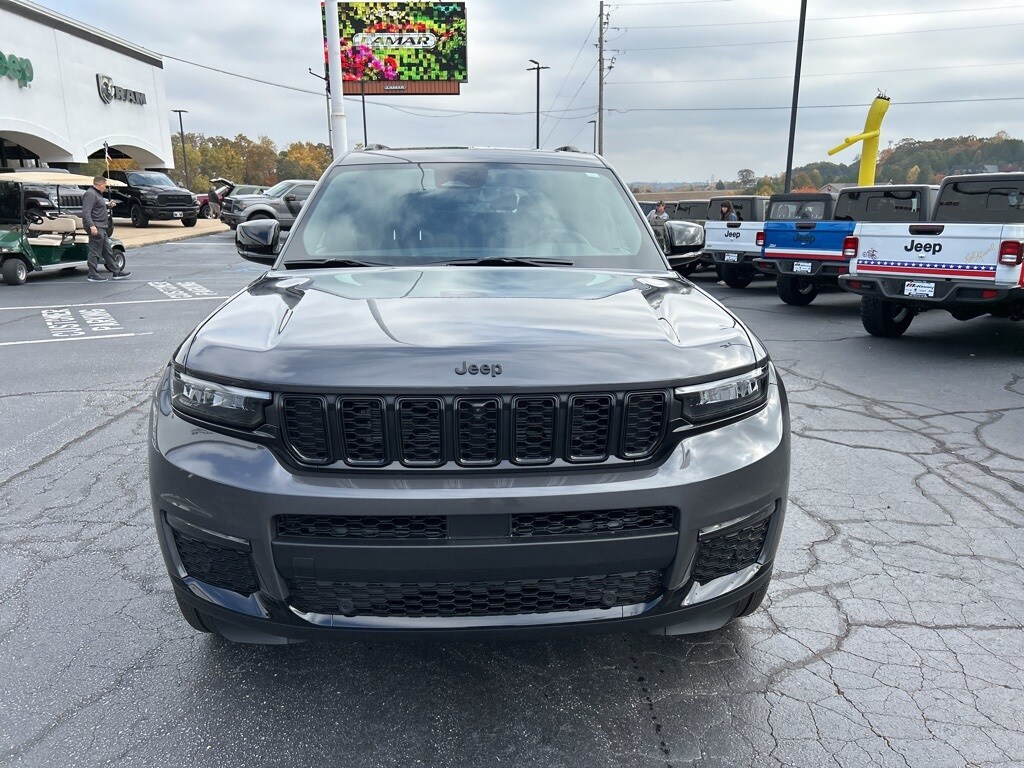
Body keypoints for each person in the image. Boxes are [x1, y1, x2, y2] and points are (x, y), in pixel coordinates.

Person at [82, 176, 130, 283]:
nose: (106, 188)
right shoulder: (90, 194)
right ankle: (92, 274)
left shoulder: (96, 194)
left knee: (107, 249)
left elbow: (97, 207)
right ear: (100, 185)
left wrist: (108, 205)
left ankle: (116, 271)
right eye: (105, 185)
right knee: (95, 250)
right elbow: (86, 212)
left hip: (101, 225)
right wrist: (91, 225)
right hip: (96, 225)